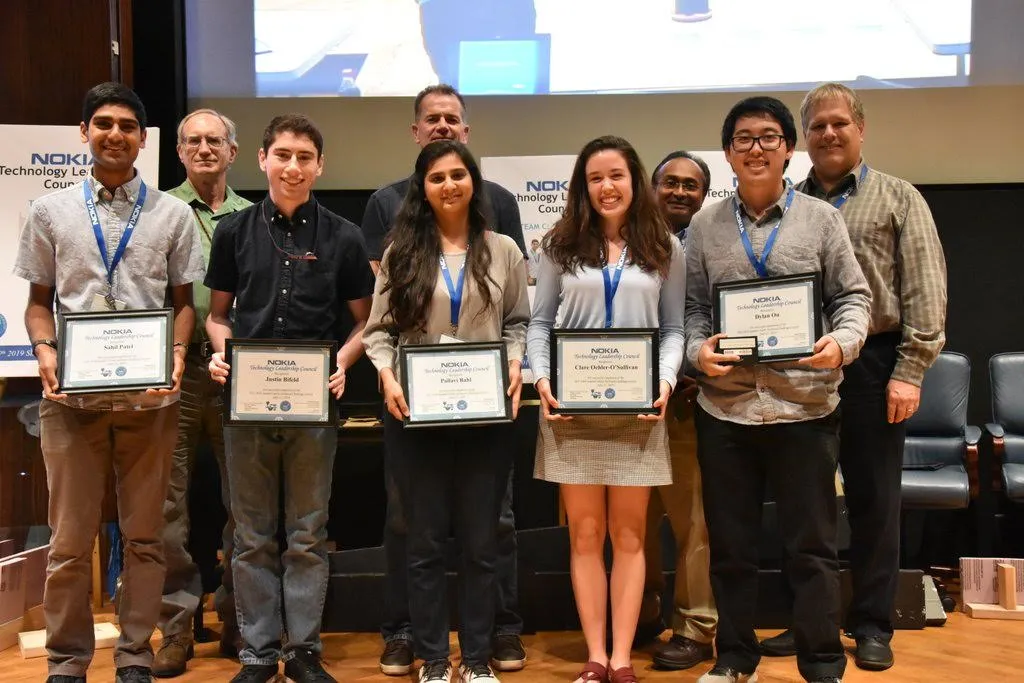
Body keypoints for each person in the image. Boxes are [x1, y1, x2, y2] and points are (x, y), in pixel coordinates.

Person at [13, 82, 205, 683]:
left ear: (143, 140)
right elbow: (38, 303)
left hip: (152, 402)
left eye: (127, 125)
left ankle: (133, 656)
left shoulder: (173, 215)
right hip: (71, 402)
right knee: (69, 544)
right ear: (84, 133)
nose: (114, 133)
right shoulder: (50, 211)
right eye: (103, 123)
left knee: (148, 540)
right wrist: (45, 350)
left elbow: (183, 304)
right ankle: (67, 661)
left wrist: (176, 353)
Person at [757, 82, 947, 672]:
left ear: (860, 129)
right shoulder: (786, 204)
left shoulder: (898, 197)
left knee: (873, 501)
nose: (829, 134)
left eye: (839, 123)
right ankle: (809, 621)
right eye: (817, 126)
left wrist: (910, 371)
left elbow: (925, 290)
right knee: (803, 506)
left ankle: (871, 624)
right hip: (799, 365)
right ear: (802, 139)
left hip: (874, 364)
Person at [685, 96, 871, 683]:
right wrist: (699, 353)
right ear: (727, 155)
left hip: (805, 407)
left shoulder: (821, 219)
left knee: (811, 549)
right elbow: (692, 310)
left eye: (768, 137)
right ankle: (735, 657)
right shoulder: (704, 225)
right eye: (743, 139)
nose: (756, 148)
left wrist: (842, 343)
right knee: (732, 550)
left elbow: (854, 298)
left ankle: (821, 661)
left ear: (789, 149)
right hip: (727, 410)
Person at [360, 84, 528, 676]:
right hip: (416, 417)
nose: (449, 185)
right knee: (425, 545)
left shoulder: (503, 248)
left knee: (483, 545)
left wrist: (513, 359)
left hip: (485, 417)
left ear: (472, 182)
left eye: (458, 175)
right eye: (437, 179)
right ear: (422, 189)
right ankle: (434, 657)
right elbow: (379, 330)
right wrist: (386, 374)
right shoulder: (402, 252)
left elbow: (519, 321)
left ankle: (477, 657)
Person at [205, 114, 375, 683]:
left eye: (305, 157)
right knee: (251, 536)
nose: (293, 167)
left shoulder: (345, 236)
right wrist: (222, 354)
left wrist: (342, 365)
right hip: (245, 409)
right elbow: (217, 315)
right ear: (261, 159)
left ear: (320, 166)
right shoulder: (232, 232)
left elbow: (363, 325)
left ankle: (302, 651)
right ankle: (256, 654)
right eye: (283, 155)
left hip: (313, 410)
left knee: (306, 534)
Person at [528, 135, 686, 683]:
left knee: (633, 536)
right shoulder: (556, 247)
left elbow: (673, 329)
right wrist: (543, 379)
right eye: (595, 178)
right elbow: (540, 323)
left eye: (615, 175)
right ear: (582, 187)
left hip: (639, 413)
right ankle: (596, 656)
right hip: (572, 414)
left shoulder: (663, 246)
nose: (606, 186)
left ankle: (623, 659)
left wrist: (665, 380)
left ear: (634, 180)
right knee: (585, 535)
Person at [153, 107, 252, 678]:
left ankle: (240, 619)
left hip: (240, 371)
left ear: (233, 152)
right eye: (193, 141)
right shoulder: (161, 211)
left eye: (215, 140)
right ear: (181, 152)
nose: (204, 149)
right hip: (176, 367)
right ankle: (176, 625)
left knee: (246, 503)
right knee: (168, 503)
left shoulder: (256, 215)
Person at [636, 151, 717, 672]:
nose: (680, 192)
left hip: (690, 400)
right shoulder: (626, 241)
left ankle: (696, 626)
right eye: (671, 183)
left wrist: (698, 369)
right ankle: (640, 611)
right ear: (653, 186)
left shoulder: (713, 245)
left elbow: (714, 314)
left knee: (693, 524)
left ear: (705, 194)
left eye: (692, 185)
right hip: (629, 403)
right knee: (634, 522)